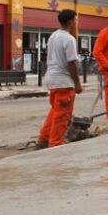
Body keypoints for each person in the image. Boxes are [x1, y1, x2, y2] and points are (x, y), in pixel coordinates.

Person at [35, 9, 84, 148]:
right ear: (70, 21)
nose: (76, 23)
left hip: (52, 79)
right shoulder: (69, 39)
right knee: (62, 115)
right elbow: (72, 63)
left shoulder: (54, 36)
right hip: (63, 81)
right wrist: (77, 84)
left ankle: (44, 139)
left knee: (55, 111)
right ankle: (56, 143)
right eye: (75, 20)